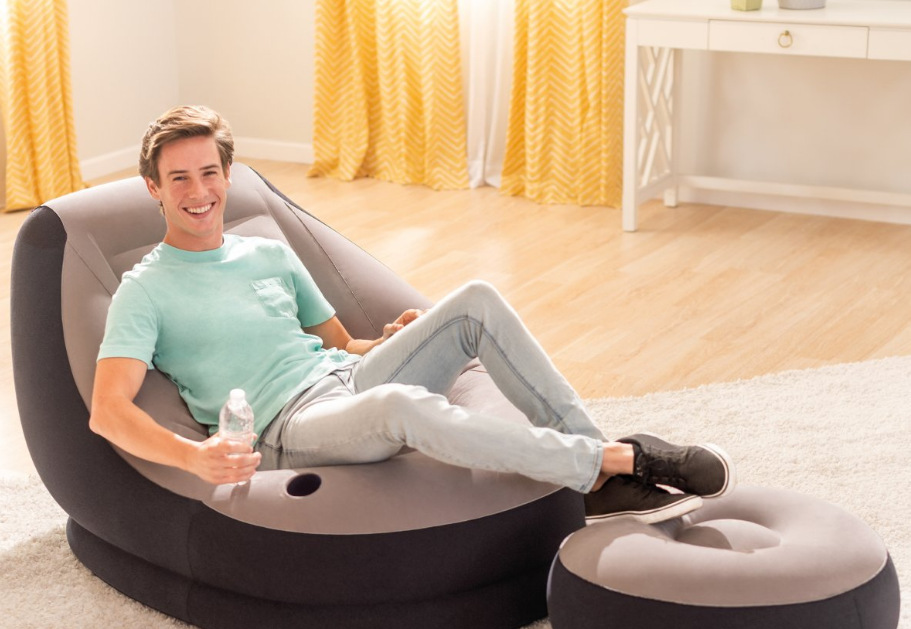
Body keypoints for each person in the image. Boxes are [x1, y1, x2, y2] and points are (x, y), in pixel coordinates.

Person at [90, 105, 735, 524]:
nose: (199, 192)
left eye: (209, 173)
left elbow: (339, 343)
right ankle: (619, 461)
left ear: (228, 174)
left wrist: (388, 342)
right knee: (401, 405)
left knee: (475, 300)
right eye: (179, 179)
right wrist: (193, 457)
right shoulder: (146, 289)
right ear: (154, 188)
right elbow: (107, 411)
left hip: (344, 380)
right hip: (288, 426)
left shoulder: (267, 253)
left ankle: (595, 480)